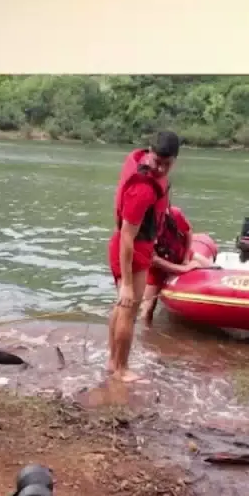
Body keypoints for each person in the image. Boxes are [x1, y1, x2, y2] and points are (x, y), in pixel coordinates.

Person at [107, 130, 180, 382]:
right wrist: (127, 283)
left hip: (134, 246)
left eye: (166, 164)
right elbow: (128, 236)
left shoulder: (138, 160)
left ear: (175, 160)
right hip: (131, 249)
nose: (160, 169)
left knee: (121, 307)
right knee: (129, 308)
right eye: (157, 162)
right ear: (149, 151)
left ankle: (112, 361)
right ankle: (121, 369)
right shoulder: (143, 190)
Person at [141, 206, 214, 326]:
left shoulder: (175, 213)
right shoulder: (144, 226)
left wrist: (185, 259)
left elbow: (188, 232)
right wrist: (184, 269)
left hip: (179, 253)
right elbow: (154, 260)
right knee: (147, 308)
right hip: (157, 269)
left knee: (213, 269)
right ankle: (145, 336)